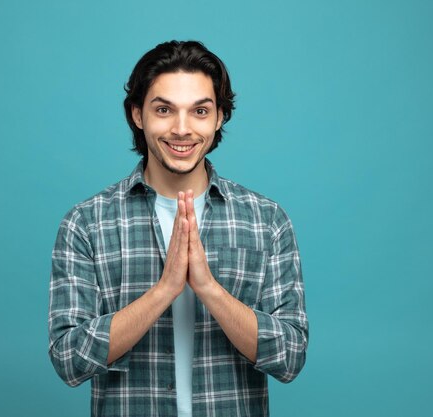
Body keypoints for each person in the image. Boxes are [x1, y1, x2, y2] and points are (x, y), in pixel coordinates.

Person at [49, 40, 308, 417]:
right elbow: (68, 360)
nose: (182, 129)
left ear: (219, 117)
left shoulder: (267, 221)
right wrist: (165, 289)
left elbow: (290, 357)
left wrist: (208, 288)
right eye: (164, 109)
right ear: (138, 114)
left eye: (200, 111)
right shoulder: (86, 223)